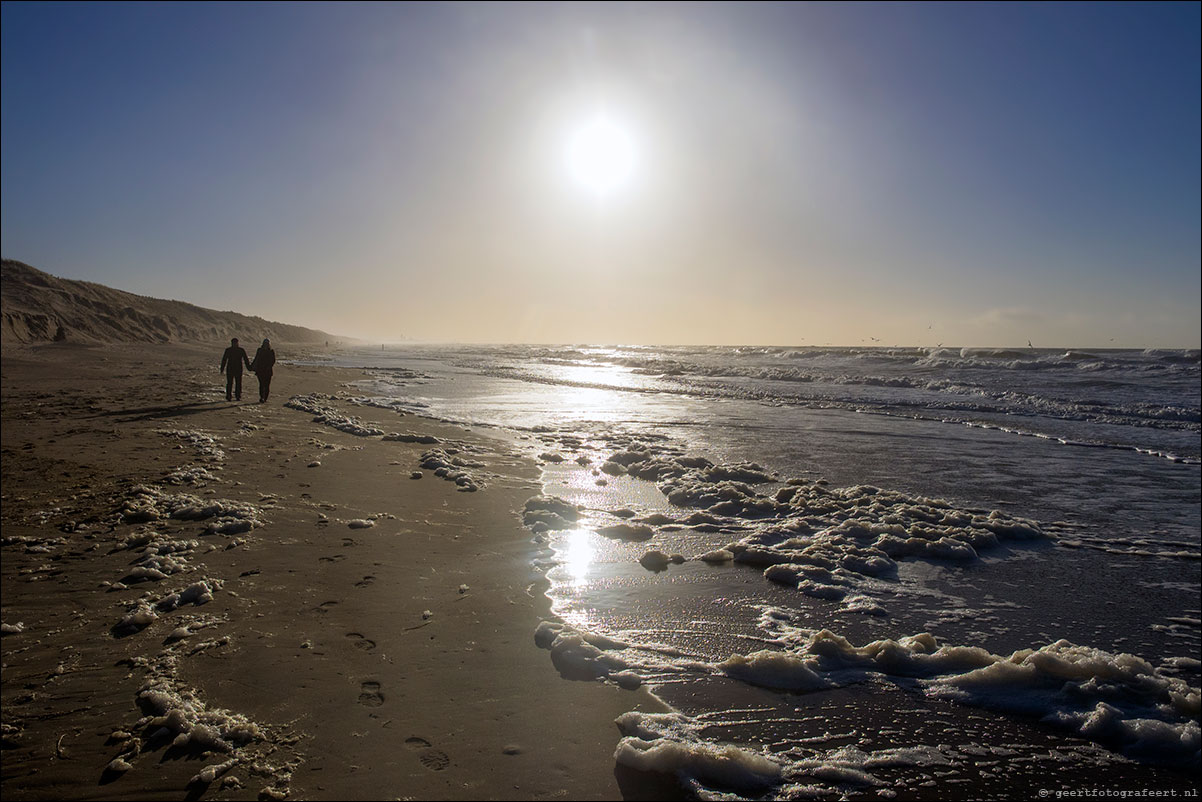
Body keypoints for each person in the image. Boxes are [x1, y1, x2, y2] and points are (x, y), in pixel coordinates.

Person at [249, 338, 276, 403]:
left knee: (266, 385)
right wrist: (252, 366)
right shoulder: (259, 350)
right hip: (260, 370)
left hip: (268, 371)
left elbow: (273, 361)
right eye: (265, 343)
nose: (266, 345)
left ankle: (265, 398)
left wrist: (268, 366)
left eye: (267, 344)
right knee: (261, 384)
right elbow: (256, 358)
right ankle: (262, 397)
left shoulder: (271, 351)